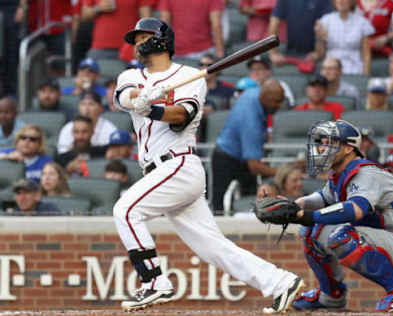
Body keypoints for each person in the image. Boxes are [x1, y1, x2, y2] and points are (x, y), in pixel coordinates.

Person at [112, 17, 304, 313]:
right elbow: (124, 97)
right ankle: (280, 282)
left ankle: (154, 282)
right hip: (159, 172)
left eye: (142, 36)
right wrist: (141, 98)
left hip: (178, 166)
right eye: (135, 38)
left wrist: (154, 108)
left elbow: (182, 117)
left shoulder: (191, 76)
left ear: (161, 39)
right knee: (213, 248)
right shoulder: (131, 76)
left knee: (125, 210)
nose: (137, 43)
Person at [285, 120, 393, 312]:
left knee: (341, 235)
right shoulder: (339, 174)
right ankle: (331, 296)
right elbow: (322, 199)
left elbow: (354, 210)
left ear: (348, 148)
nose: (321, 148)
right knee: (309, 231)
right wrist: (293, 206)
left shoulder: (365, 173)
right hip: (384, 238)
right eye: (322, 142)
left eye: (330, 142)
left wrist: (308, 215)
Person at [212, 79, 284, 213]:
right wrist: (281, 171)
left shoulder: (253, 92)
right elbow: (254, 166)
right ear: (266, 98)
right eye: (276, 101)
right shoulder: (252, 124)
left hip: (232, 154)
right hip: (227, 160)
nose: (280, 106)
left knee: (251, 197)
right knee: (220, 209)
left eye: (281, 100)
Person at [315, 0, 375, 75]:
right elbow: (320, 53)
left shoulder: (362, 22)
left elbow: (366, 54)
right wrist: (319, 37)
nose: (341, 1)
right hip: (331, 69)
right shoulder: (326, 20)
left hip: (354, 68)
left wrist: (366, 76)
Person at [267, 0, 333, 65]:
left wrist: (318, 53)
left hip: (316, 57)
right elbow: (274, 23)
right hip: (290, 54)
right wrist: (273, 53)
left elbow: (324, 26)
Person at [81, 0, 152, 60]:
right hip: (101, 46)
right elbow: (84, 15)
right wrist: (98, 8)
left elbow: (146, 20)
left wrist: (141, 43)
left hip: (130, 47)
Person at [158, 0, 225, 59]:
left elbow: (164, 23)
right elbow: (216, 25)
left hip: (176, 52)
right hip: (203, 52)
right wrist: (220, 51)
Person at [366, 77, 393, 142]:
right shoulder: (360, 114)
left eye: (380, 93)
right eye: (374, 92)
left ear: (386, 95)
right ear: (368, 94)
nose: (377, 96)